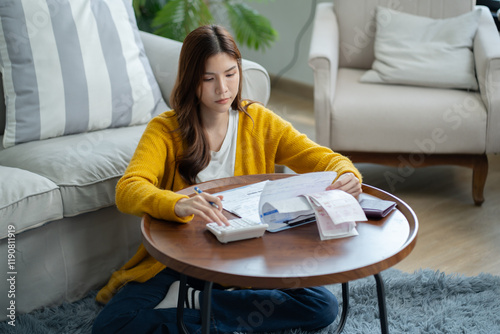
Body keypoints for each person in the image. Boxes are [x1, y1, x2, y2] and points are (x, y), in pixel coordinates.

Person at [92, 24, 362, 334]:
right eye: (209, 78)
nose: (223, 89)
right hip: (179, 263)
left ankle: (197, 306)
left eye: (230, 74)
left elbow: (324, 158)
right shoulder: (165, 130)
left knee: (321, 306)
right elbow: (128, 189)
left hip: (244, 258)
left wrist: (346, 174)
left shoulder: (259, 121)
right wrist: (176, 203)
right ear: (191, 80)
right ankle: (223, 313)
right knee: (111, 326)